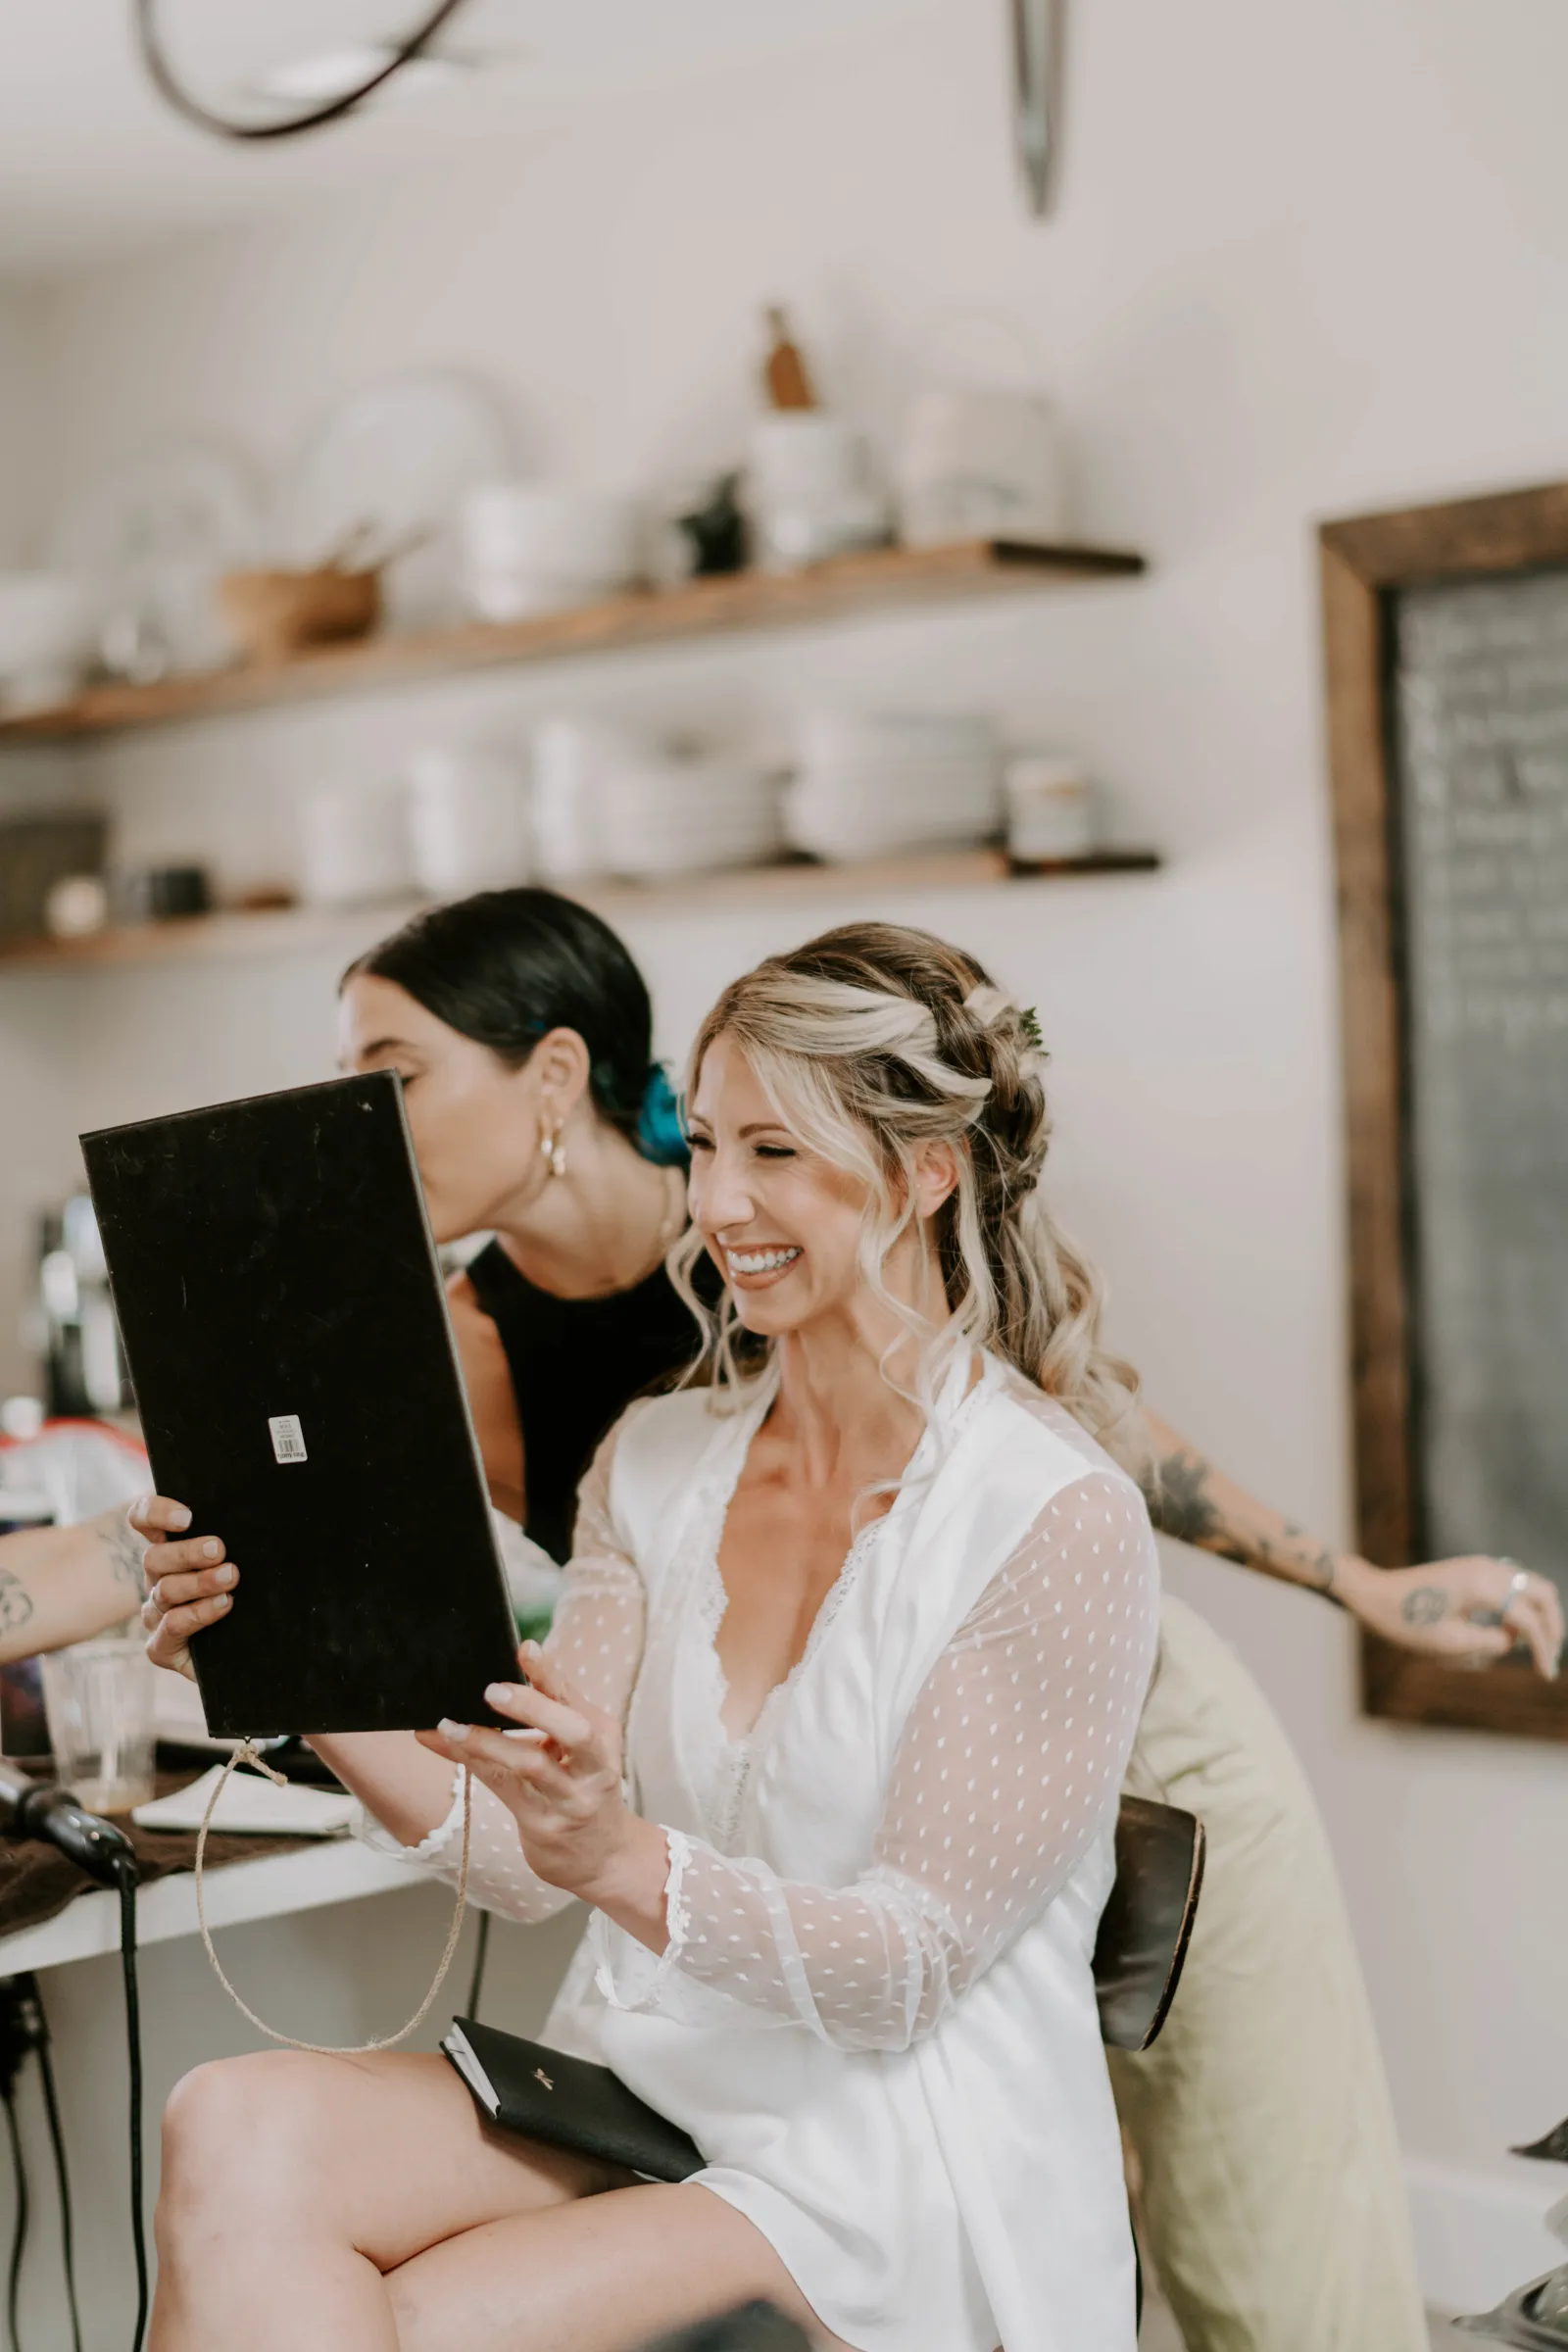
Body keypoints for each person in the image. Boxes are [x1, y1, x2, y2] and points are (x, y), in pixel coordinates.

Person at [142, 897, 1564, 2352]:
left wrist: (618, 1852)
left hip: (897, 2161)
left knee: (416, 2322)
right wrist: (271, 1663)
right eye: (706, 1145)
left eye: (775, 1153)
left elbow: (906, 1970)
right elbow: (518, 1858)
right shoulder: (655, 1462)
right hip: (655, 2091)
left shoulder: (1045, 1511)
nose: (718, 1205)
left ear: (925, 1170)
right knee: (225, 2125)